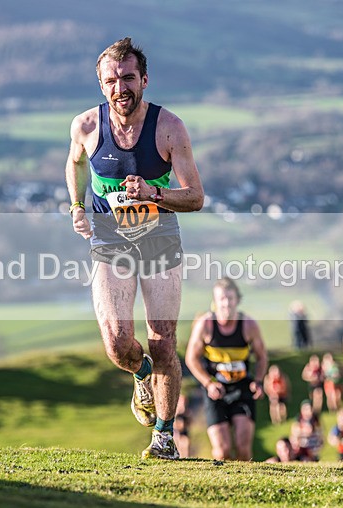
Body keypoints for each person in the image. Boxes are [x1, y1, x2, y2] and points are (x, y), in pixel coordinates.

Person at [66, 37, 204, 460]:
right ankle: (141, 374)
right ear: (101, 85)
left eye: (128, 78)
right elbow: (74, 163)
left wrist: (153, 193)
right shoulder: (86, 127)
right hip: (109, 242)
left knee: (163, 342)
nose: (120, 88)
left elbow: (196, 196)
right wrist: (76, 206)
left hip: (160, 238)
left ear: (144, 80)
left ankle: (164, 438)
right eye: (111, 80)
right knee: (117, 343)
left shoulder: (169, 128)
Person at [185, 278, 268, 461]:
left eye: (230, 298)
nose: (226, 303)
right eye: (222, 299)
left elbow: (262, 356)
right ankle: (225, 486)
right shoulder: (205, 325)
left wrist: (259, 381)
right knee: (222, 450)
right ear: (215, 301)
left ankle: (246, 486)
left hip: (242, 389)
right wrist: (208, 383)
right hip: (216, 390)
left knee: (242, 448)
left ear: (237, 300)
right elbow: (191, 358)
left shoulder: (248, 325)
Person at [173, 394, 192, 458]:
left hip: (184, 432)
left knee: (185, 443)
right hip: (176, 432)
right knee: (177, 443)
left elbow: (189, 423)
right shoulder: (175, 413)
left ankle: (186, 457)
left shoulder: (187, 412)